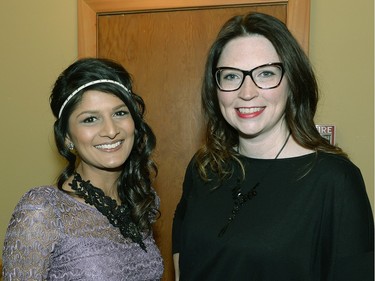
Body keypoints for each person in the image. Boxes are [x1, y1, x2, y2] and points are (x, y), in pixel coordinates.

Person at [172, 12, 374, 281]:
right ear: (215, 87)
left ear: (293, 82)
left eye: (266, 73)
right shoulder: (204, 169)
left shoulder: (334, 180)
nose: (247, 92)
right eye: (231, 76)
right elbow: (182, 251)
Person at [2, 58, 164, 280]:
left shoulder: (143, 201)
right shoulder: (42, 211)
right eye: (90, 119)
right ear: (67, 137)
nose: (110, 130)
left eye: (119, 113)